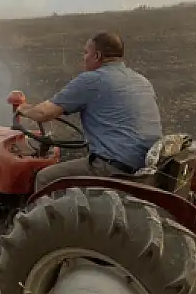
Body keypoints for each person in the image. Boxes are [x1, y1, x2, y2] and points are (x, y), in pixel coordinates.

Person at [13, 31, 163, 191]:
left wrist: (22, 108)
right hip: (148, 168)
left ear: (97, 55)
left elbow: (42, 114)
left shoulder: (92, 80)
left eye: (86, 52)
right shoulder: (142, 81)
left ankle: (41, 215)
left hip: (114, 169)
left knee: (44, 178)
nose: (84, 58)